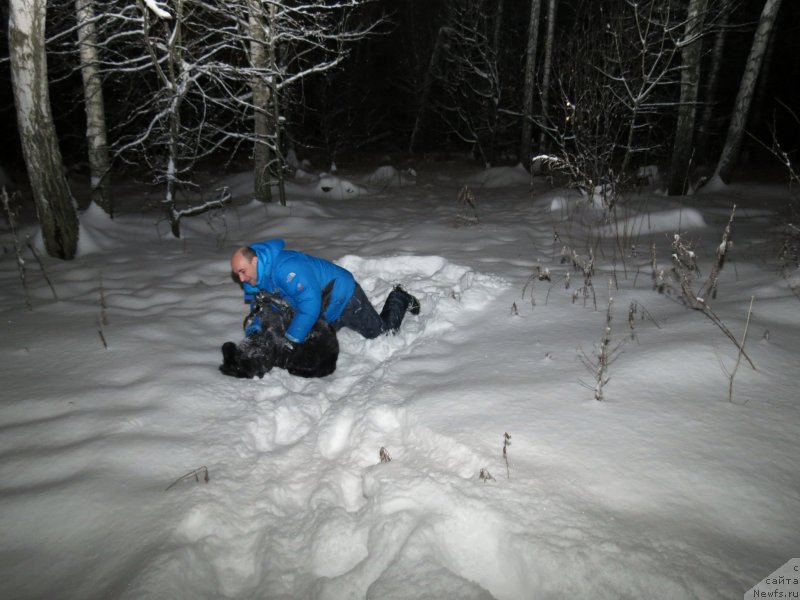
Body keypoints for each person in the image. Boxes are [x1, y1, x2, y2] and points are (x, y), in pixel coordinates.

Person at [230, 240, 420, 349]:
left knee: (382, 336)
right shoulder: (255, 279)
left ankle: (400, 297)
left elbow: (310, 304)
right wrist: (254, 332)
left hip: (344, 298)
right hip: (323, 310)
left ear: (255, 261)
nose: (240, 278)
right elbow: (263, 309)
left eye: (242, 271)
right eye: (237, 273)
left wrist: (292, 339)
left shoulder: (286, 269)